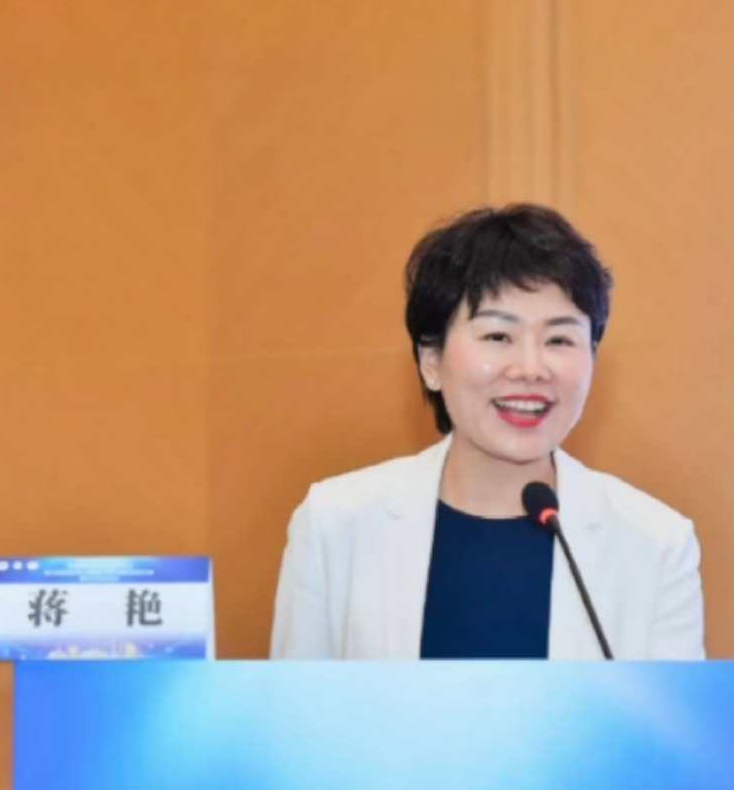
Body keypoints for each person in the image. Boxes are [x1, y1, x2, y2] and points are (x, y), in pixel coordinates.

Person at [270, 204, 704, 660]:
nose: (531, 368)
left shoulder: (656, 544)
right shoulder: (334, 524)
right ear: (431, 362)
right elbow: (297, 706)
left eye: (559, 340)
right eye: (498, 337)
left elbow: (669, 711)